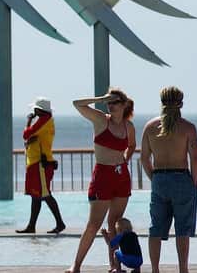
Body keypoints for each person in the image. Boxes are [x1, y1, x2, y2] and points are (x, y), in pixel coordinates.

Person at [66, 88, 137, 273]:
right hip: (102, 175)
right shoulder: (100, 120)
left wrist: (125, 160)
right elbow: (77, 103)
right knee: (94, 224)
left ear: (124, 105)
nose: (111, 105)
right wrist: (101, 98)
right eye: (109, 102)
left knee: (115, 223)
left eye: (114, 102)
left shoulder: (128, 126)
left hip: (121, 176)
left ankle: (115, 266)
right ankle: (76, 265)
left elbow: (131, 145)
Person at [140, 86, 197, 273]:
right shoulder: (188, 128)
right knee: (182, 229)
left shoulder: (150, 127)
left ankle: (155, 269)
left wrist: (154, 177)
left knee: (155, 228)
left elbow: (144, 158)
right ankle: (183, 269)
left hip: (160, 179)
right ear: (181, 103)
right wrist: (194, 184)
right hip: (182, 178)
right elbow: (195, 158)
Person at [15, 97, 65, 234]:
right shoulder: (45, 121)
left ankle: (60, 223)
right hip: (36, 163)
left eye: (35, 109)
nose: (34, 111)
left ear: (39, 110)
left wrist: (29, 121)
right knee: (36, 195)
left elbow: (26, 134)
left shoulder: (43, 121)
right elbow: (30, 138)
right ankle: (31, 226)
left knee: (45, 194)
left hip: (40, 164)